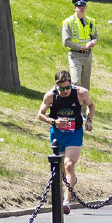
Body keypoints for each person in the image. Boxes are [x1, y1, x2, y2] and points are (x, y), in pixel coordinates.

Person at [38, 70, 94, 215]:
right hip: (57, 135)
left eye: (67, 87)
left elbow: (91, 105)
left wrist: (88, 121)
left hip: (74, 134)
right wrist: (54, 122)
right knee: (63, 168)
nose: (64, 91)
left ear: (71, 83)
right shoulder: (50, 95)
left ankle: (66, 202)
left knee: (69, 165)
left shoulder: (81, 93)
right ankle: (72, 181)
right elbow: (40, 114)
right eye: (61, 88)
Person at [61, 0, 98, 114]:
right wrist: (82, 47)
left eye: (83, 6)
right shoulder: (68, 22)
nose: (81, 8)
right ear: (74, 7)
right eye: (79, 6)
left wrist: (93, 42)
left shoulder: (90, 21)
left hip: (87, 56)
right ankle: (72, 109)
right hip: (75, 55)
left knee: (85, 86)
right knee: (76, 83)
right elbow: (66, 41)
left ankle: (81, 113)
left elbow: (95, 36)